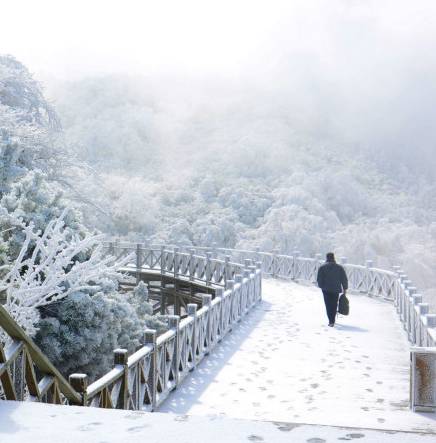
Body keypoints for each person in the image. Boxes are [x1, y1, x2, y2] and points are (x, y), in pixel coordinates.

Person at [316, 252, 348, 327]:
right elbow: (344, 278)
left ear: (327, 258)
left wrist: (321, 286)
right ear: (334, 258)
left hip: (326, 289)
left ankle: (331, 321)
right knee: (334, 304)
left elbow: (319, 279)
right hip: (336, 289)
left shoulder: (322, 267)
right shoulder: (339, 267)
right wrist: (345, 288)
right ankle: (332, 320)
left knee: (328, 305)